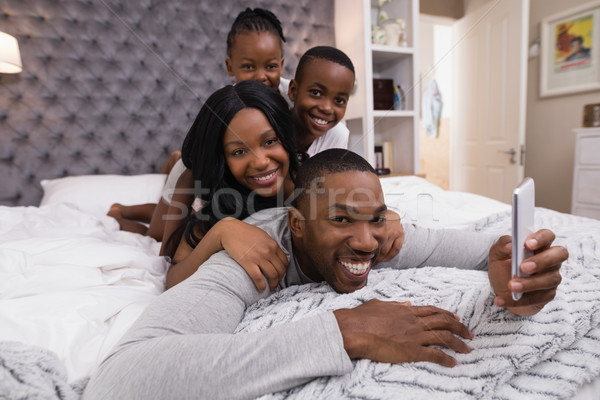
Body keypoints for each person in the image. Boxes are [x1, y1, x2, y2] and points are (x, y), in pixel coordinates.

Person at [83, 149, 568, 400]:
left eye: (376, 217)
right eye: (339, 220)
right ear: (297, 225)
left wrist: (518, 275)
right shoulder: (254, 258)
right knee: (158, 229)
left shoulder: (380, 235)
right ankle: (127, 213)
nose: (364, 243)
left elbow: (486, 251)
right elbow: (122, 379)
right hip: (201, 233)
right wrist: (348, 329)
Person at [161, 79, 298, 290]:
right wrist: (221, 232)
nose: (261, 162)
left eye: (270, 141)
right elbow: (172, 283)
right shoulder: (220, 209)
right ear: (222, 160)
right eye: (239, 152)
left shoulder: (315, 180)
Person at [289, 46, 354, 160]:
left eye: (339, 100)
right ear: (293, 91)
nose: (327, 108)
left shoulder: (337, 135)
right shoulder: (269, 127)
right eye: (316, 92)